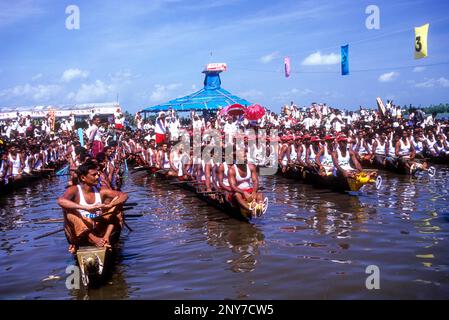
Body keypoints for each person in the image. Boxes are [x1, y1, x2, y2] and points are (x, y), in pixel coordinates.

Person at [57, 162, 128, 254]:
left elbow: (124, 195)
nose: (97, 177)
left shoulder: (101, 191)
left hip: (97, 228)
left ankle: (105, 238)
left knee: (117, 210)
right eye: (94, 175)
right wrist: (85, 208)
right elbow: (60, 201)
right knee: (69, 213)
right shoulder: (74, 190)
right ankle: (94, 240)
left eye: (98, 174)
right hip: (80, 233)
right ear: (83, 178)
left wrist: (111, 205)